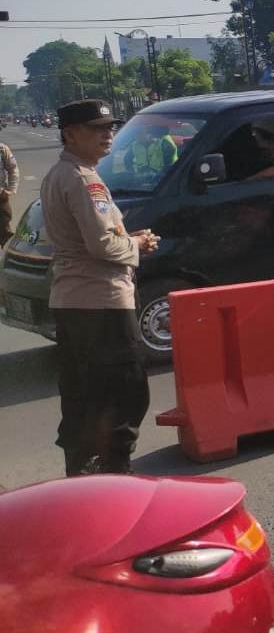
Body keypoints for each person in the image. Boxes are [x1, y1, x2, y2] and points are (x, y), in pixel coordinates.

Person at [40, 100, 160, 475]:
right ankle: (113, 474)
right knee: (124, 391)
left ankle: (81, 471)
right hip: (101, 300)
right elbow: (102, 246)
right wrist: (137, 244)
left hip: (73, 301)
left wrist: (125, 236)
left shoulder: (59, 174)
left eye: (110, 127)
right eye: (97, 128)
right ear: (70, 134)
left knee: (82, 393)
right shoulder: (83, 179)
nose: (108, 133)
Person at [0, 138, 17, 242]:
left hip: (1, 196)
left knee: (5, 226)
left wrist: (11, 190)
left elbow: (13, 169)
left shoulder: (2, 149)